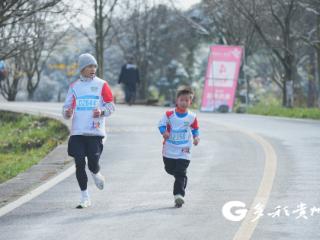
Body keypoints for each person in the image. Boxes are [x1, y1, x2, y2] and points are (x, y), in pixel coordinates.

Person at [62, 53, 115, 209]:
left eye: (94, 66)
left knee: (92, 164)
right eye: (89, 66)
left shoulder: (102, 84)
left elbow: (111, 106)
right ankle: (85, 197)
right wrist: (67, 113)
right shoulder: (74, 87)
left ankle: (96, 172)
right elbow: (66, 108)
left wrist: (102, 111)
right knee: (79, 163)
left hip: (95, 132)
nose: (93, 69)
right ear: (82, 69)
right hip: (78, 132)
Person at [158, 87, 200, 208]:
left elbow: (195, 129)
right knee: (170, 169)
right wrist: (164, 132)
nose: (184, 102)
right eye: (182, 100)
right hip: (169, 149)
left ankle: (178, 195)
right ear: (177, 100)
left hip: (184, 149)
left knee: (181, 172)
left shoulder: (192, 116)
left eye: (187, 100)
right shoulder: (169, 114)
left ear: (190, 102)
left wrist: (196, 137)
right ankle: (181, 179)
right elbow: (161, 125)